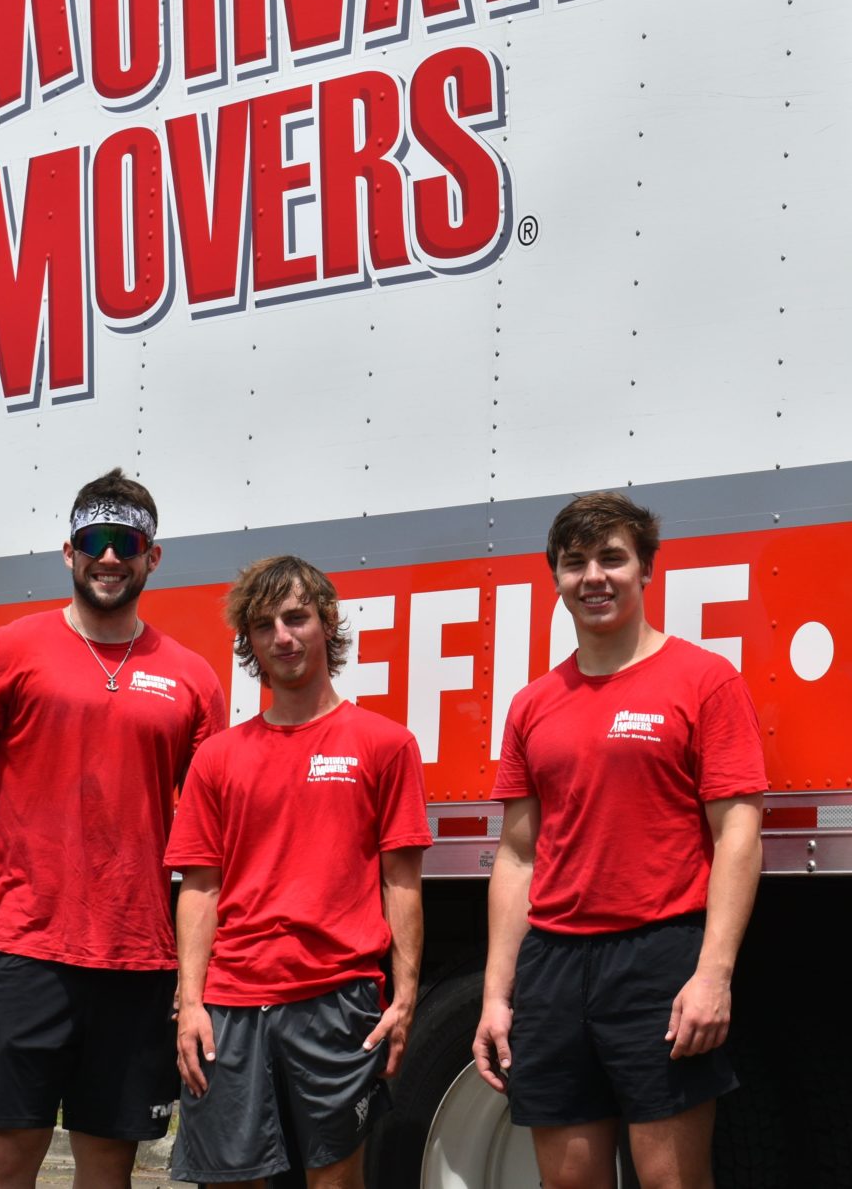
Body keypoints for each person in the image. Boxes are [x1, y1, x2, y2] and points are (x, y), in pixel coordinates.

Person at [0, 468, 227, 1189]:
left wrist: (195, 974)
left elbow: (212, 841)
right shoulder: (4, 651)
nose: (110, 556)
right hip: (28, 948)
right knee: (8, 1159)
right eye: (95, 540)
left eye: (127, 541)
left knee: (108, 1169)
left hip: (138, 962)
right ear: (69, 551)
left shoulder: (190, 678)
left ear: (153, 555)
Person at [474, 492, 767, 1189]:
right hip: (552, 964)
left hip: (658, 956)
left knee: (671, 1179)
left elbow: (739, 833)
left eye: (612, 557)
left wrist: (714, 972)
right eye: (575, 563)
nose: (593, 577)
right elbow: (517, 855)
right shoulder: (534, 702)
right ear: (556, 580)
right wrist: (495, 994)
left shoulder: (705, 681)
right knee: (570, 1182)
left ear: (645, 571)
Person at [167, 555, 431, 1189]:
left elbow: (402, 882)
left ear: (326, 623)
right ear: (250, 643)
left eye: (296, 618)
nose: (282, 637)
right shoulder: (218, 758)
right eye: (264, 625)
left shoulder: (384, 744)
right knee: (231, 1182)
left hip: (336, 998)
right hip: (229, 1004)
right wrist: (190, 1004)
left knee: (335, 1180)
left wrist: (405, 997)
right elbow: (200, 888)